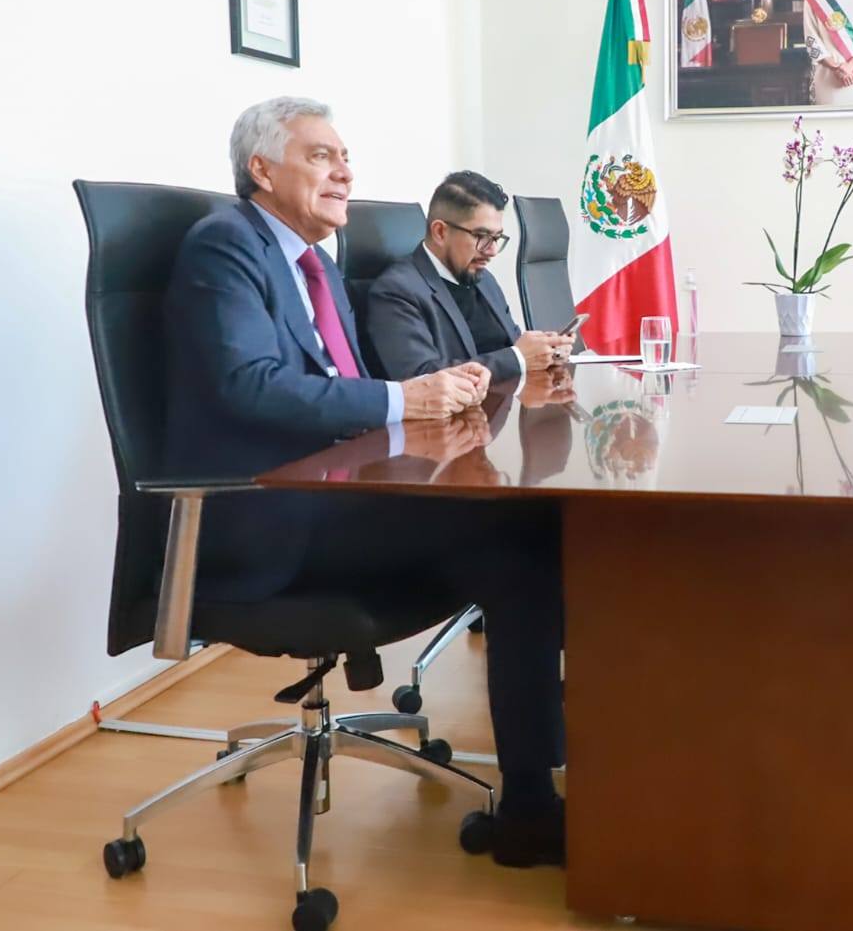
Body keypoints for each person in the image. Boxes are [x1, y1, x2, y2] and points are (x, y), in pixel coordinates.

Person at [163, 97, 567, 866]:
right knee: (519, 540)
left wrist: (420, 412)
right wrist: (402, 400)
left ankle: (556, 757)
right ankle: (530, 805)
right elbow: (251, 385)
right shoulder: (227, 245)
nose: (344, 172)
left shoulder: (317, 262)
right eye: (321, 156)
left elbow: (343, 387)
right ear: (262, 169)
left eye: (345, 157)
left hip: (336, 492)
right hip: (266, 516)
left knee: (532, 520)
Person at [366, 170, 572, 384]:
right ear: (440, 232)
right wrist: (518, 358)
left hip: (507, 399)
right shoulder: (396, 291)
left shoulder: (485, 279)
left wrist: (545, 351)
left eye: (497, 238)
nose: (492, 251)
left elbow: (512, 344)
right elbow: (421, 377)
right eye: (482, 236)